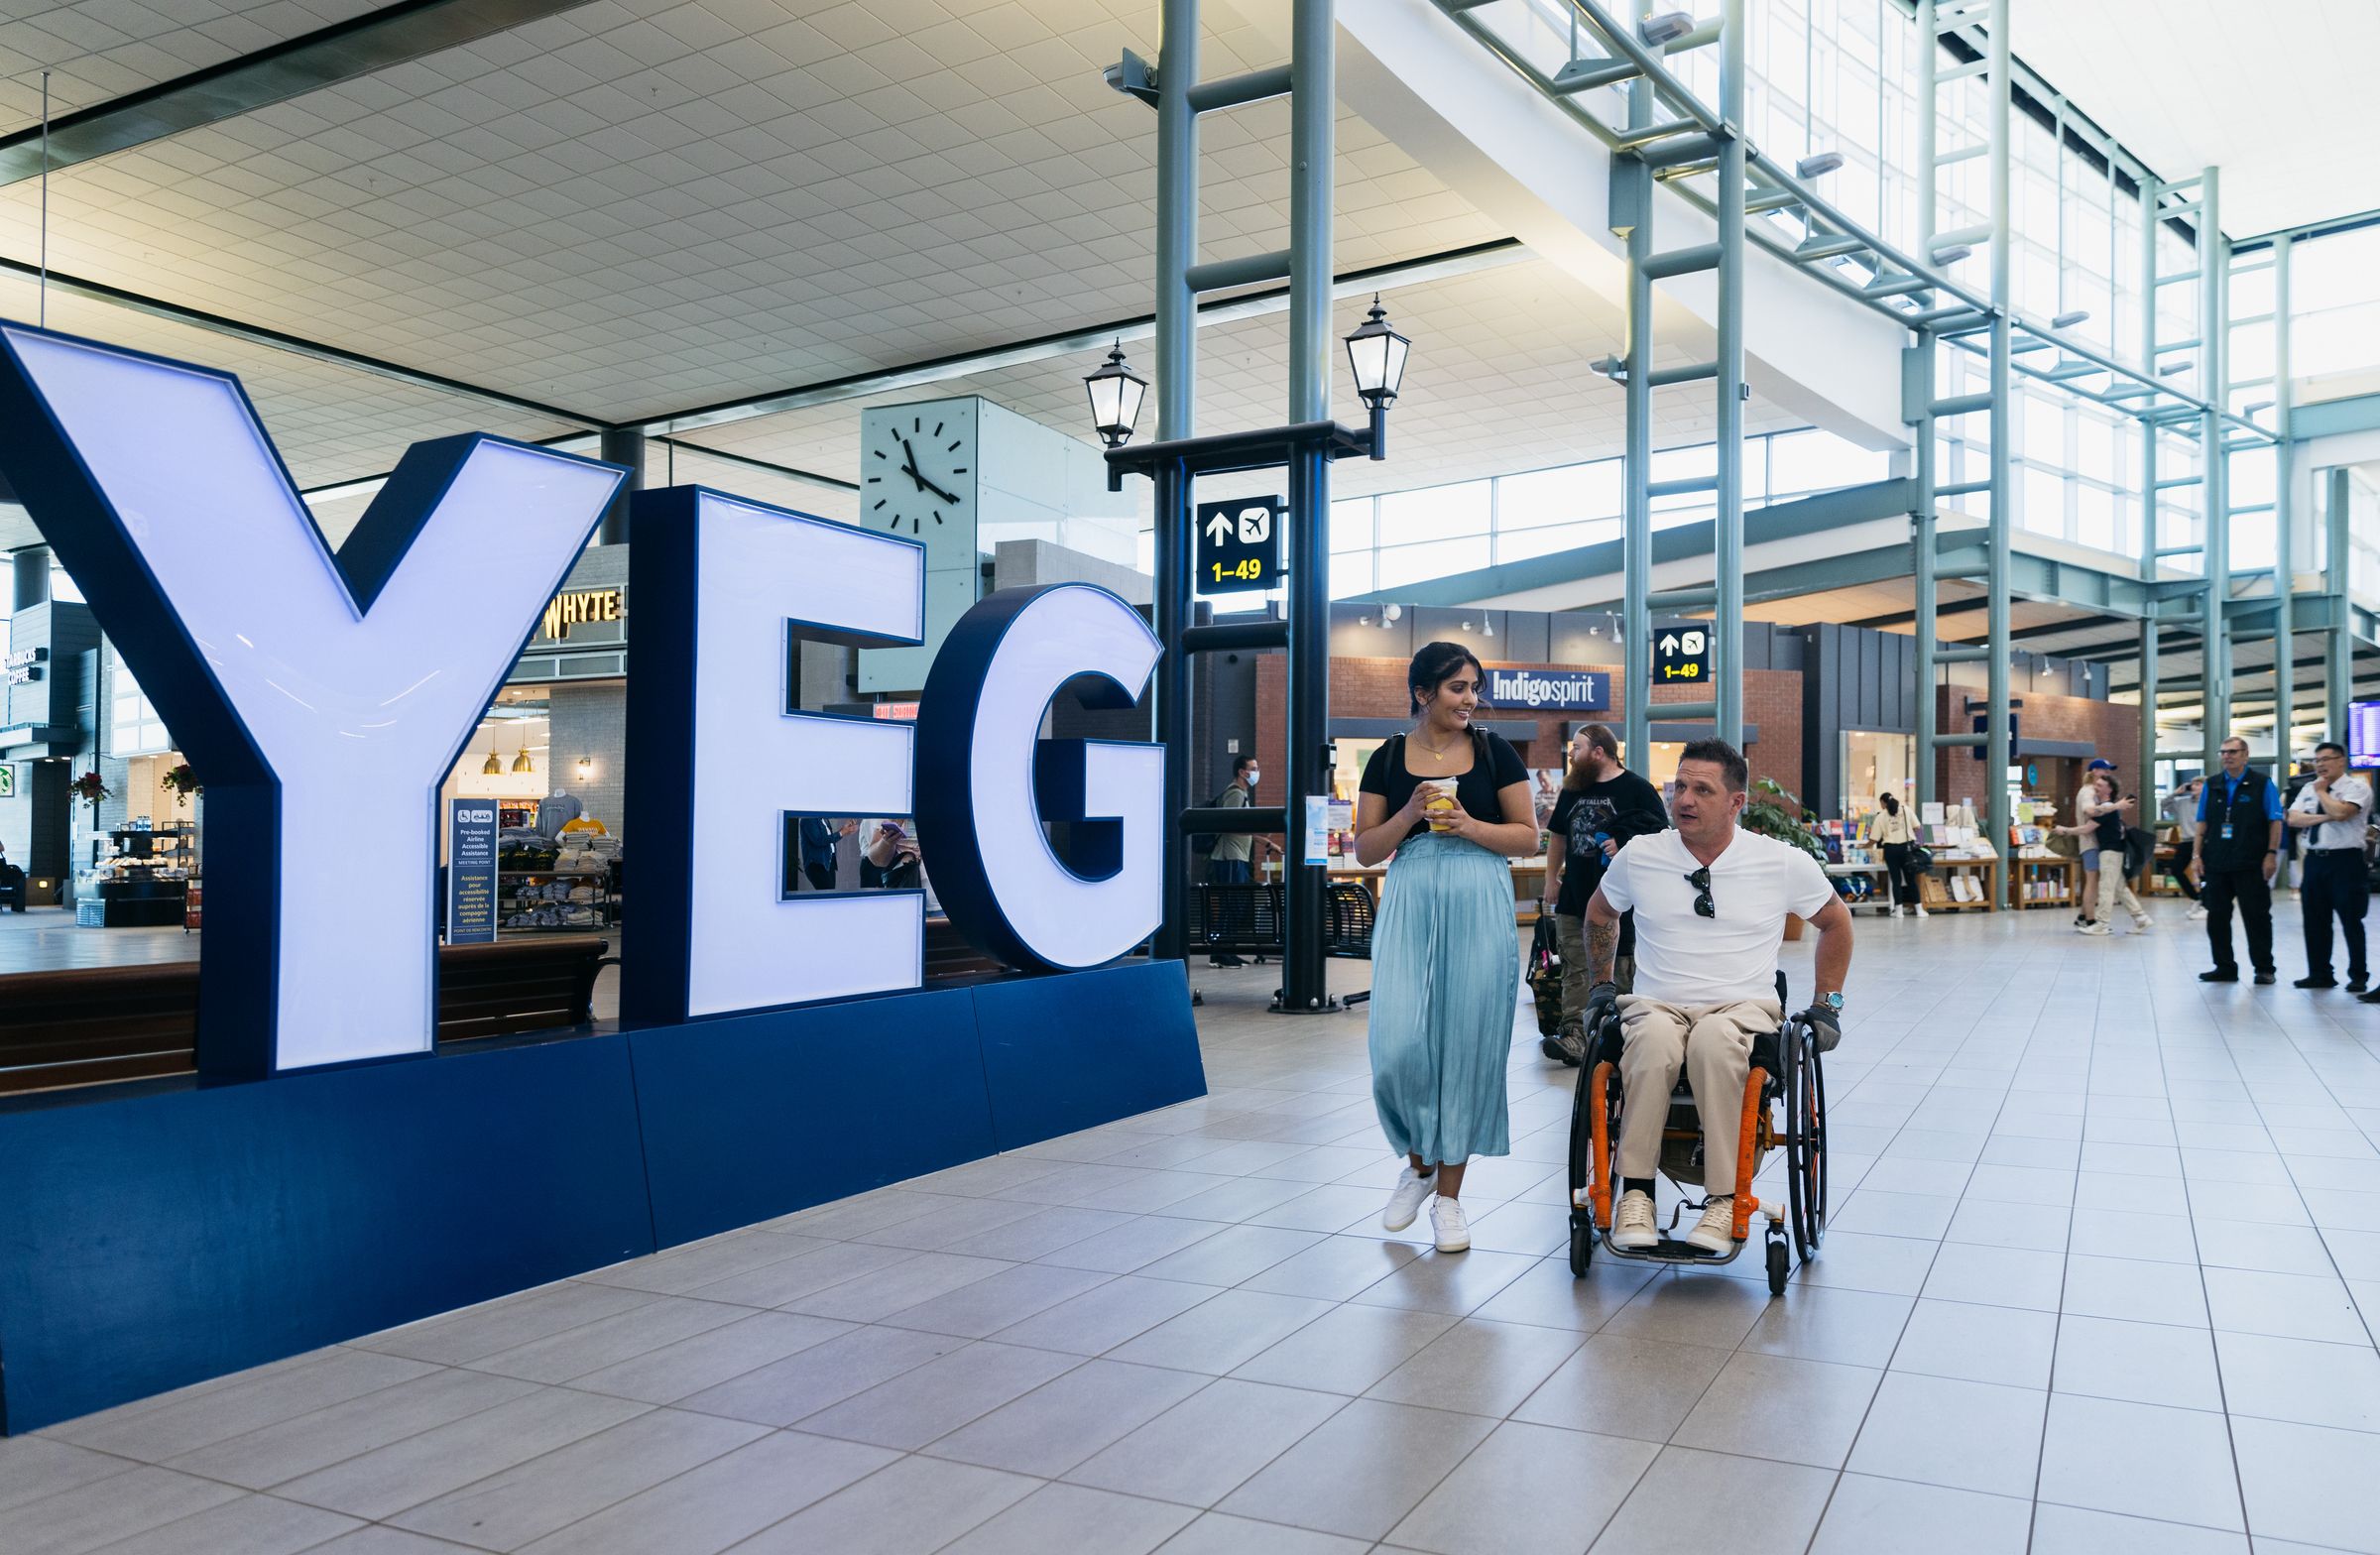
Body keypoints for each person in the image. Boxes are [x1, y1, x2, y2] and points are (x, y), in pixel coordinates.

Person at [1582, 739, 1853, 1255]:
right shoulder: (1642, 855)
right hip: (1656, 1004)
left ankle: (1725, 1198)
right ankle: (1637, 1193)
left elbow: (1835, 922)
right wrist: (1601, 986)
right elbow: (1600, 913)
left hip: (1742, 1007)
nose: (1684, 798)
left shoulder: (1780, 862)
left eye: (1702, 789)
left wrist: (1828, 1005)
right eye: (1679, 785)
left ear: (1736, 802)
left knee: (1712, 1041)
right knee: (1655, 1040)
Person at [1354, 642, 1539, 1255]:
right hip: (1410, 896)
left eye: (1474, 687)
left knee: (1466, 1044)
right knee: (1398, 1043)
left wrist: (1469, 825)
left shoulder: (1495, 752)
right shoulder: (1385, 759)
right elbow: (1366, 851)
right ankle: (1419, 1165)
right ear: (1423, 692)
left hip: (1479, 897)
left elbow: (1525, 837)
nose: (1470, 699)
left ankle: (1451, 1200)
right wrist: (1409, 811)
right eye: (1458, 687)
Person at [1540, 724, 1666, 1064]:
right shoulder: (1572, 789)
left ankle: (1615, 1036)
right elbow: (1558, 837)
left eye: (1577, 748)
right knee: (1574, 969)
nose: (1571, 754)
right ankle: (1575, 1038)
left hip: (1619, 902)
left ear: (1599, 751)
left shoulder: (1637, 789)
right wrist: (1552, 878)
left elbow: (1662, 838)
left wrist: (1623, 842)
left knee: (1616, 970)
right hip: (1574, 896)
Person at [2192, 736, 2285, 985]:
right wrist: (2197, 855)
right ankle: (2224, 967)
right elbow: (2203, 823)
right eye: (2223, 752)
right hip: (2217, 862)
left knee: (2257, 917)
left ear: (2245, 755)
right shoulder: (2212, 785)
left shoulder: (2262, 783)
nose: (2227, 756)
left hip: (2251, 862)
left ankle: (2264, 968)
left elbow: (2275, 821)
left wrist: (2271, 854)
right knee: (2217, 917)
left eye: (2233, 752)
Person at [2285, 741, 2372, 992]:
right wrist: (2327, 814)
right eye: (2317, 760)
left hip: (2346, 861)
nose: (2321, 764)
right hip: (2314, 861)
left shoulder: (2357, 786)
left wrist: (2324, 794)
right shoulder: (2308, 788)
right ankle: (2320, 973)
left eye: (2326, 759)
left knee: (2351, 919)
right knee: (2314, 920)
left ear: (2341, 760)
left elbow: (2344, 813)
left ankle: (2358, 975)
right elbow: (2293, 818)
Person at [1205, 754, 1277, 967]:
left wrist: (1266, 842)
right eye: (1253, 768)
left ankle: (1226, 952)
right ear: (1242, 772)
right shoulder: (1235, 794)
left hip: (1235, 857)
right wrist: (1261, 828)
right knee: (1232, 905)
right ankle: (1221, 954)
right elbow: (1231, 825)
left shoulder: (1241, 795)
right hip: (1229, 858)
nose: (1257, 772)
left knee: (1234, 905)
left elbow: (1241, 828)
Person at [2063, 771, 2149, 935]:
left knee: (2106, 888)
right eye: (2096, 784)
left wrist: (2064, 830)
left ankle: (2102, 923)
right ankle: (2141, 918)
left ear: (2109, 790)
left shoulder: (2107, 808)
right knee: (2119, 887)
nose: (2095, 787)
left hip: (2110, 852)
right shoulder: (2108, 807)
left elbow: (2087, 828)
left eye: (2100, 785)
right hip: (2114, 850)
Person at [2068, 759, 2117, 928]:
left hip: (2095, 842)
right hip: (2091, 842)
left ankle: (2082, 916)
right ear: (2094, 771)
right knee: (2092, 881)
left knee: (2093, 880)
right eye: (2105, 770)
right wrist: (2112, 807)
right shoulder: (2088, 792)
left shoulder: (2092, 791)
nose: (2108, 774)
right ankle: (2090, 919)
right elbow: (2088, 810)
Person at [1866, 790, 1926, 918]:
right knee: (1911, 880)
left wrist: (1864, 846)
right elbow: (1917, 827)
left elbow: (1874, 838)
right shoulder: (1906, 810)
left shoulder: (1881, 816)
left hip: (1891, 850)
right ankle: (1919, 909)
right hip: (1907, 849)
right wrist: (1919, 841)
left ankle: (1898, 911)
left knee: (1896, 880)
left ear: (1883, 802)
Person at [2162, 778, 2207, 918]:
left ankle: (2206, 905)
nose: (2194, 787)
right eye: (2193, 784)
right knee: (2175, 869)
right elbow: (2164, 805)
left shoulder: (2209, 802)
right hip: (2187, 841)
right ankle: (2196, 898)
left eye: (2198, 784)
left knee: (2203, 874)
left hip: (2204, 841)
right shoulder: (2182, 802)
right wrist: (2175, 793)